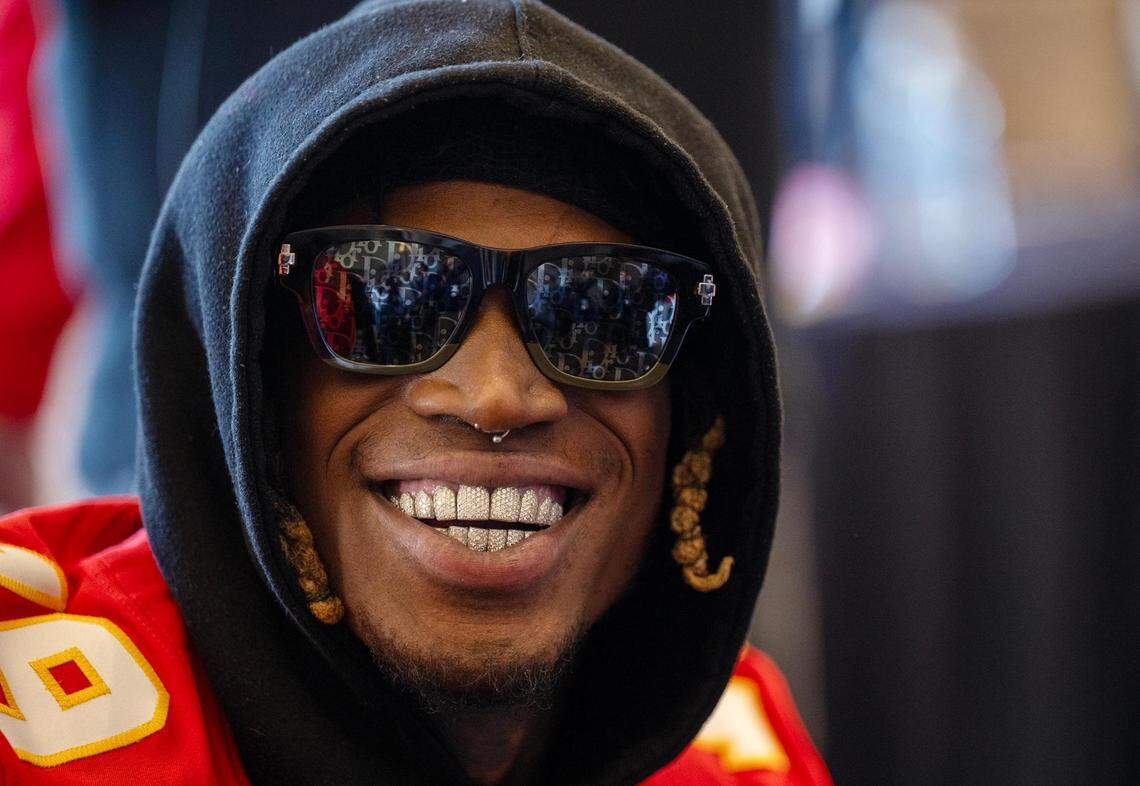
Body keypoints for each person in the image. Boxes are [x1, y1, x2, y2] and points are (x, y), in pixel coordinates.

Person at [0, 1, 830, 783]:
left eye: (601, 312)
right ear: (247, 385)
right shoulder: (31, 734)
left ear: (694, 421)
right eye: (383, 298)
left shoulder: (744, 754)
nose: (499, 397)